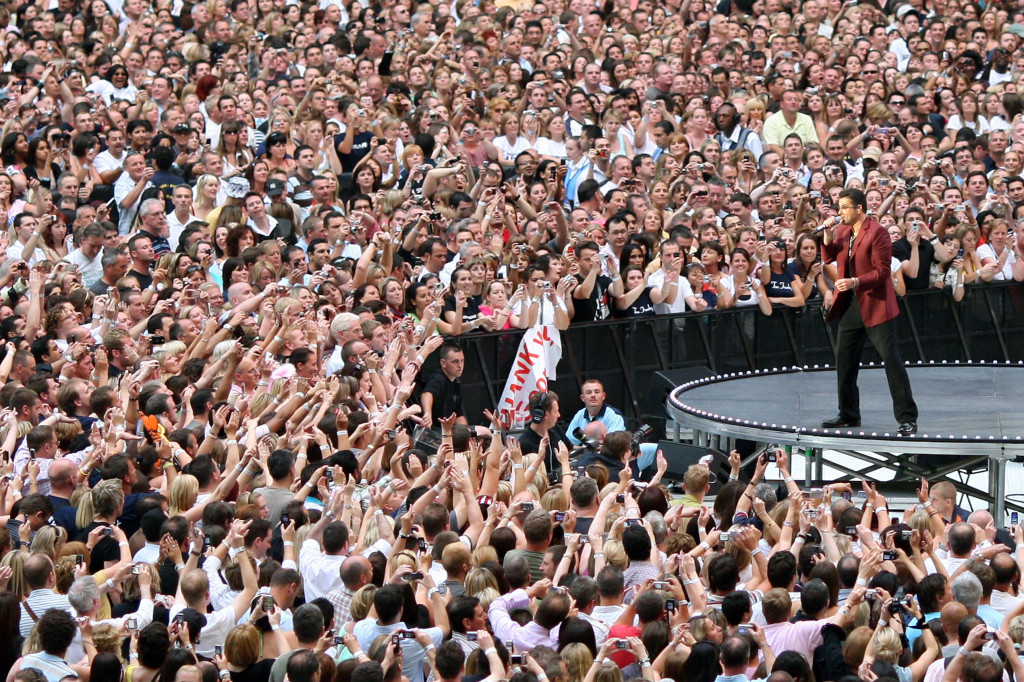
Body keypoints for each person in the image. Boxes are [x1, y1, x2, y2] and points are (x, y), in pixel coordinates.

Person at [820, 188, 918, 435]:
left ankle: (907, 417)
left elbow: (882, 271)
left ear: (859, 208)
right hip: (851, 304)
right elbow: (829, 256)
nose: (840, 212)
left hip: (876, 303)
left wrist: (854, 282)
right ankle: (848, 414)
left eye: (844, 207)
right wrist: (827, 234)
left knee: (891, 359)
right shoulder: (842, 230)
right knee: (844, 359)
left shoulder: (878, 233)